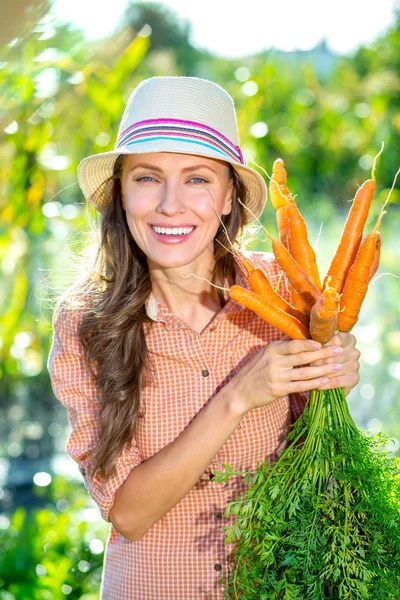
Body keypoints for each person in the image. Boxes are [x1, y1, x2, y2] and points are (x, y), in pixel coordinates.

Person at [47, 76, 361, 600]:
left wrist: (336, 375)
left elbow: (315, 442)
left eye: (197, 179)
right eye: (147, 178)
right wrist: (239, 395)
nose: (171, 205)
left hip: (277, 585)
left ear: (228, 198)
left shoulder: (287, 290)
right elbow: (129, 513)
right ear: (120, 195)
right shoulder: (87, 321)